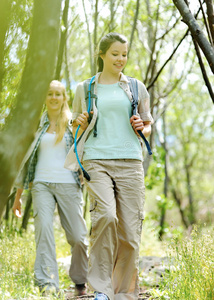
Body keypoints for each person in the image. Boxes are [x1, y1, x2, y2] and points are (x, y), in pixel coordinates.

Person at [64, 32, 153, 300]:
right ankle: (101, 289)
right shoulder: (85, 88)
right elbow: (77, 125)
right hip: (96, 160)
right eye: (115, 54)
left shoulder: (136, 87)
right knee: (105, 217)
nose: (121, 59)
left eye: (124, 54)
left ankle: (123, 293)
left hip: (130, 162)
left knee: (129, 231)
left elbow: (147, 125)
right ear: (101, 54)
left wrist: (143, 127)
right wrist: (78, 120)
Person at [12, 80, 88, 297]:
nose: (54, 98)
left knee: (78, 237)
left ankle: (80, 279)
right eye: (50, 94)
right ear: (45, 98)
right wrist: (18, 196)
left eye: (58, 94)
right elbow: (25, 163)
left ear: (64, 98)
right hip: (41, 184)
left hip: (69, 183)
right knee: (44, 231)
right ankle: (48, 284)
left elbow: (85, 153)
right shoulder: (36, 126)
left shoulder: (74, 124)